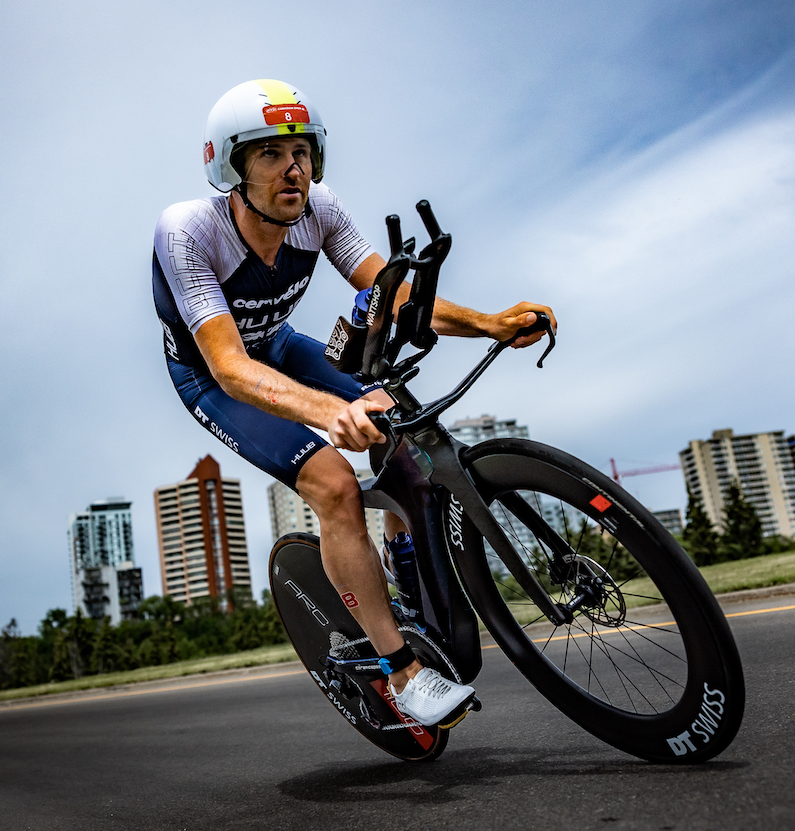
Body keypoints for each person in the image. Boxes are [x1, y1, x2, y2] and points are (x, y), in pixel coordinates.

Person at [152, 79, 555, 727]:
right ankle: (403, 674)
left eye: (303, 151)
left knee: (405, 434)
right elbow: (228, 365)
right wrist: (323, 411)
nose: (294, 167)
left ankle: (399, 558)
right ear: (230, 167)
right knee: (335, 483)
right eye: (270, 154)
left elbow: (390, 294)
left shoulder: (320, 210)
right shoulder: (188, 233)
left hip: (280, 346)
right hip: (213, 374)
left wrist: (491, 323)